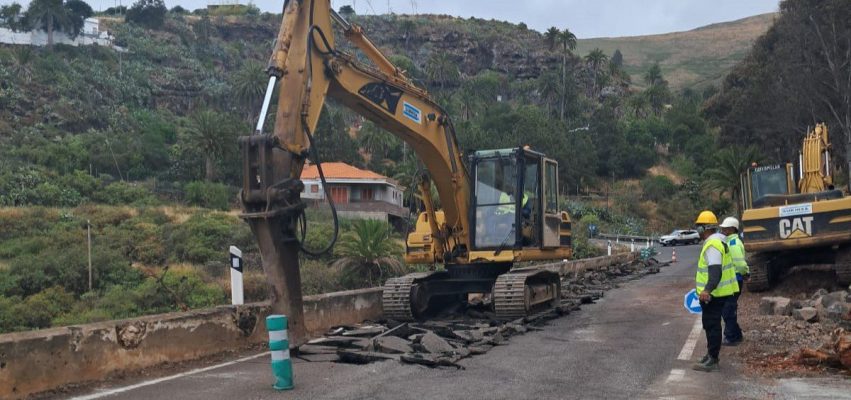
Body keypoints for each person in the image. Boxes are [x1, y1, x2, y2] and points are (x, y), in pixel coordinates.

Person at [692, 210, 739, 372]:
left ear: (704, 228)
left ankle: (713, 358)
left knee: (712, 326)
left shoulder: (712, 245)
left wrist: (707, 290)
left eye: (699, 227)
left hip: (714, 295)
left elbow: (715, 271)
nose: (697, 231)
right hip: (718, 293)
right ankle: (710, 355)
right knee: (710, 325)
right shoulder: (719, 242)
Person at [720, 217, 748, 346]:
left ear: (732, 229)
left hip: (735, 280)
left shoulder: (733, 243)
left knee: (728, 309)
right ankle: (736, 334)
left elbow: (740, 264)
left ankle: (731, 337)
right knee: (728, 308)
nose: (723, 230)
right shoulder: (730, 241)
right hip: (733, 280)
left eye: (725, 228)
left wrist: (745, 273)